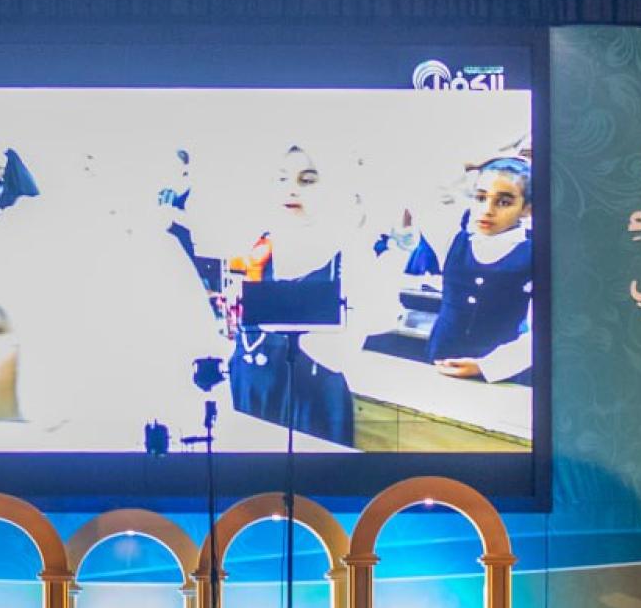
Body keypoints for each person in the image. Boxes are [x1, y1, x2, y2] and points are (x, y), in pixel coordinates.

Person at [227, 142, 392, 447]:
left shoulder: (347, 250)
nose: (292, 190)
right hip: (252, 389)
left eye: (307, 180)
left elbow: (380, 315)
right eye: (282, 179)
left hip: (312, 399)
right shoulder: (255, 244)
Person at [428, 157, 534, 384]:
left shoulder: (535, 255)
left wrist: (485, 366)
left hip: (498, 377)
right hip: (439, 365)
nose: (487, 210)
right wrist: (473, 162)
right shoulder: (452, 241)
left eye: (503, 202)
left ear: (527, 209)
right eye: (480, 198)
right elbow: (429, 190)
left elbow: (543, 333)